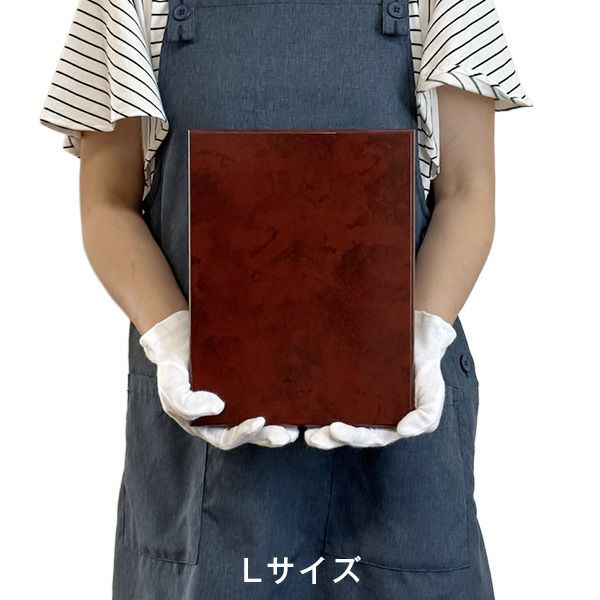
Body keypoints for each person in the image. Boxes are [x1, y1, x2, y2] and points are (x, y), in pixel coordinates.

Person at [39, 0, 532, 597]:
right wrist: (170, 338)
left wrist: (422, 338)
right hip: (211, 420)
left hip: (399, 426)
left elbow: (467, 188)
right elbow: (107, 201)